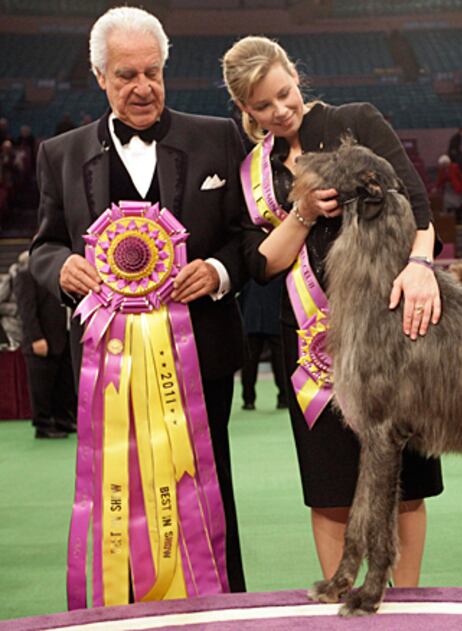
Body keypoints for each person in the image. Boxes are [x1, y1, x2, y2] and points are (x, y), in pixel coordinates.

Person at [29, 6, 249, 591]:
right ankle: (122, 607)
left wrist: (218, 270)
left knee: (208, 487)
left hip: (201, 354)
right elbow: (44, 246)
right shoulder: (61, 154)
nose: (143, 87)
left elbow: (247, 237)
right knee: (116, 497)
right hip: (106, 366)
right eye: (126, 75)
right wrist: (62, 267)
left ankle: (220, 604)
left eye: (153, 72)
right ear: (100, 76)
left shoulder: (218, 137)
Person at [222, 35, 443, 585]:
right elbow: (261, 264)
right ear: (245, 110)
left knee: (405, 483)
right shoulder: (255, 168)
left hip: (391, 328)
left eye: (285, 93)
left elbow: (419, 208)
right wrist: (298, 213)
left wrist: (421, 267)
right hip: (311, 347)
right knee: (329, 489)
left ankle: (408, 604)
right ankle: (343, 605)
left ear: (295, 75)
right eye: (263, 106)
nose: (280, 110)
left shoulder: (356, 122)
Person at [13, 251, 76, 439]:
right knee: (41, 385)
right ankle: (43, 424)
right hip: (41, 339)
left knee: (63, 382)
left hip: (63, 336)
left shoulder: (64, 274)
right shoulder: (26, 274)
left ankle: (63, 420)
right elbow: (26, 310)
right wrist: (35, 338)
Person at [238, 277, 287, 411]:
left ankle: (248, 400)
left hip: (251, 316)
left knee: (249, 362)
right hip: (275, 316)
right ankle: (284, 398)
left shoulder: (250, 264)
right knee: (280, 361)